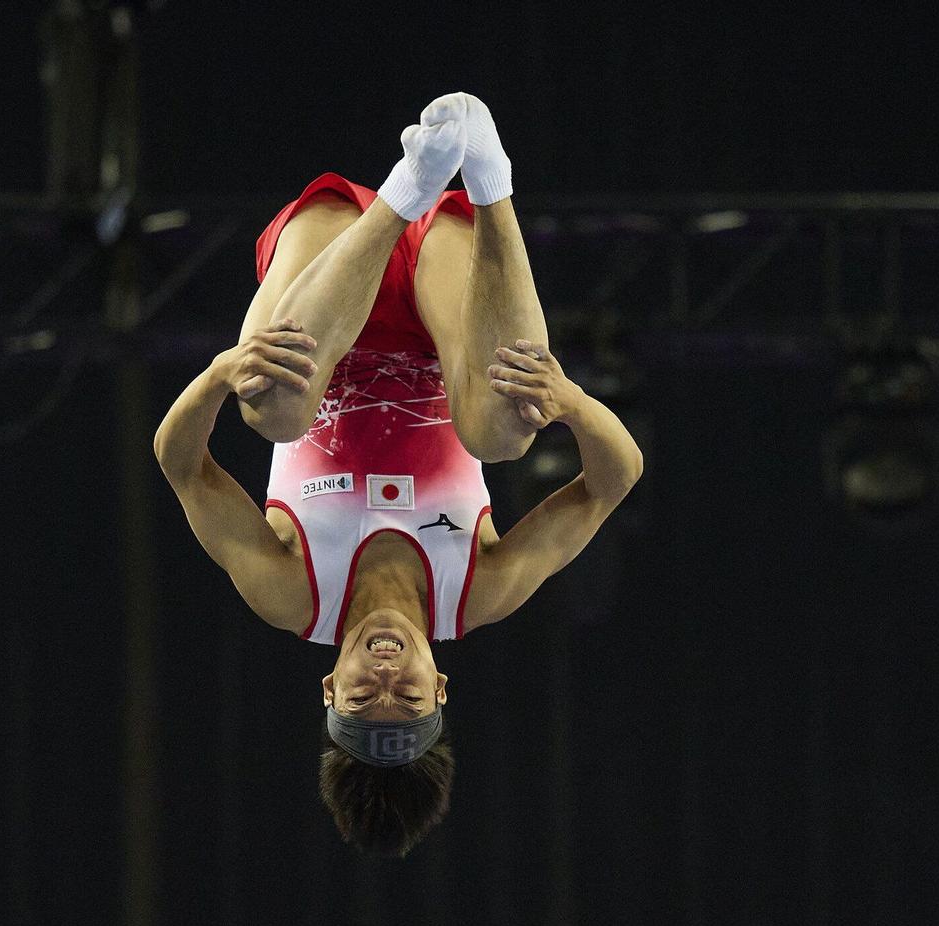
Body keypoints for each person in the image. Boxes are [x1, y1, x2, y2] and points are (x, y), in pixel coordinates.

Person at [154, 93, 644, 857]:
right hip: (448, 317)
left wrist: (220, 373)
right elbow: (613, 482)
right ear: (439, 688)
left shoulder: (289, 592)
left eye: (361, 692)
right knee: (502, 435)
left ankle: (400, 194)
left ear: (328, 688)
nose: (385, 671)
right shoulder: (479, 589)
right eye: (406, 693)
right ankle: (487, 177)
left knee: (272, 411)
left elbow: (182, 468)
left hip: (327, 279)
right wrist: (574, 404)